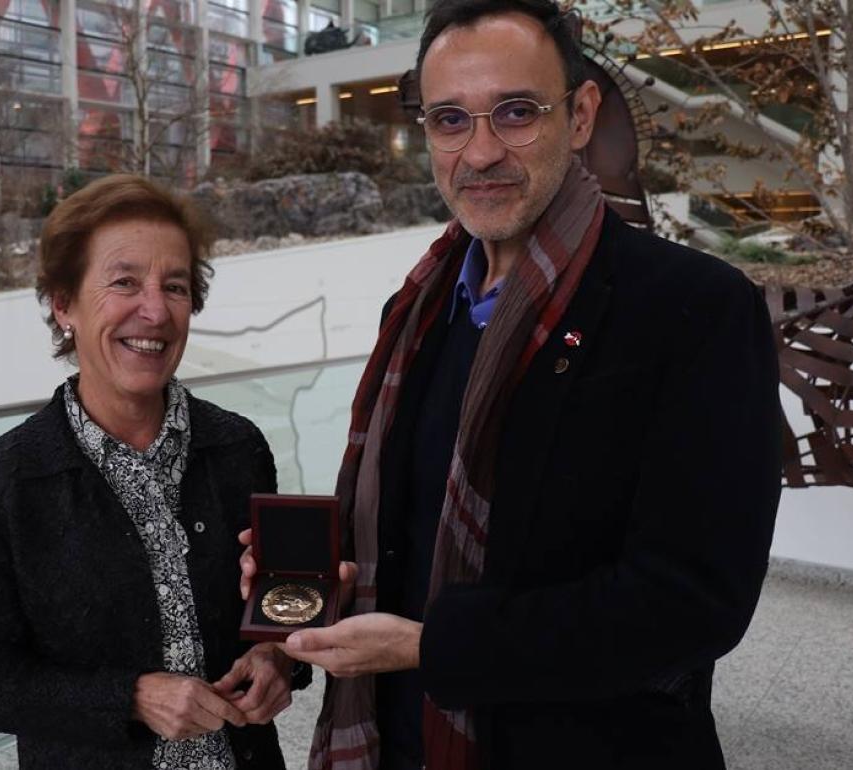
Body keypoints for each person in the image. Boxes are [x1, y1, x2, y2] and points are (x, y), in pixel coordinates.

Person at [239, 0, 782, 767]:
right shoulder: (419, 308)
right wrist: (300, 599)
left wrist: (434, 648)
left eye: (516, 113)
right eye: (450, 119)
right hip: (400, 743)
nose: (481, 152)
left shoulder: (693, 309)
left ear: (583, 114)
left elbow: (694, 602)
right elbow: (402, 529)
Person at [0, 174, 306, 769]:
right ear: (63, 304)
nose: (156, 310)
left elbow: (273, 606)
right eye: (124, 282)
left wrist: (278, 659)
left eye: (176, 286)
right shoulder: (5, 481)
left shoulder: (238, 448)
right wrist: (130, 699)